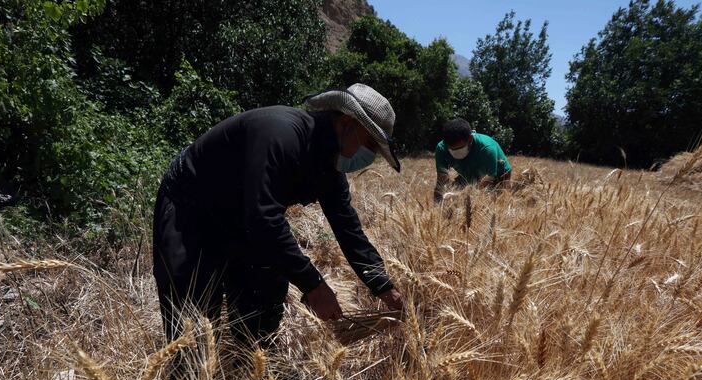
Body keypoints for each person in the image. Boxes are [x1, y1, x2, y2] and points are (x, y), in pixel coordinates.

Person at [152, 83, 405, 351]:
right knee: (194, 325)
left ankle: (246, 371)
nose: (370, 156)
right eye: (369, 144)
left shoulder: (330, 168)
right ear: (346, 123)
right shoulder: (281, 135)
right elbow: (263, 218)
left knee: (264, 303)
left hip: (242, 220)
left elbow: (348, 228)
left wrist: (382, 285)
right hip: (191, 209)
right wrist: (314, 286)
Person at [433, 118, 512, 202]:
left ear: (470, 138)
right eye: (451, 149)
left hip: (498, 176)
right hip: (468, 173)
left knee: (493, 200)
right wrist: (437, 205)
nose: (455, 152)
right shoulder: (441, 148)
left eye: (460, 148)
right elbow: (441, 180)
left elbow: (486, 183)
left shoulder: (487, 148)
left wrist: (463, 196)